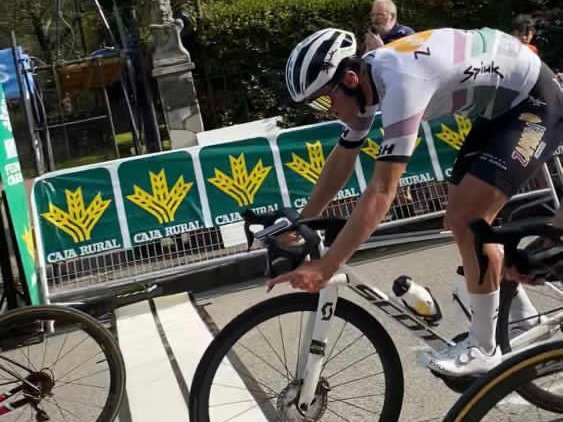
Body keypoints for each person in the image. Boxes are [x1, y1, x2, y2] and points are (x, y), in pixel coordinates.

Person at [275, 27, 563, 376]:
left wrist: (328, 265)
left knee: (469, 219)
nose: (324, 113)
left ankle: (483, 348)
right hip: (501, 109)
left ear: (349, 79)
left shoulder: (403, 82)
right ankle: (518, 318)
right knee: (457, 219)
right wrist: (302, 222)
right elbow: (343, 156)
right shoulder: (366, 82)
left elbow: (382, 190)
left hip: (535, 102)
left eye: (323, 102)